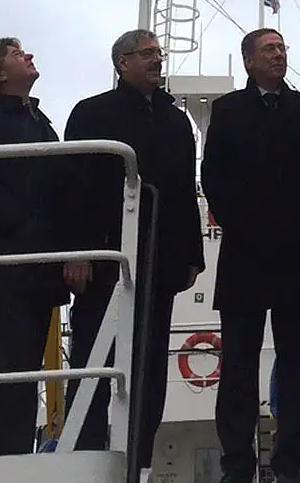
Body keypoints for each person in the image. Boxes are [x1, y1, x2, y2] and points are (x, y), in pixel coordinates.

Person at [201, 28, 300, 483]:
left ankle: (289, 466)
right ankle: (237, 467)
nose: (279, 55)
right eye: (269, 49)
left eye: (282, 49)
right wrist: (242, 218)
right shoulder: (226, 111)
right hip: (244, 251)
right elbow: (213, 175)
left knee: (295, 364)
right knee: (238, 365)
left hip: (296, 251)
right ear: (248, 61)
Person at [63, 30, 204, 470]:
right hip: (104, 262)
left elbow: (183, 189)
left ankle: (137, 464)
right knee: (93, 363)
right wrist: (76, 251)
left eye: (159, 54)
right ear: (121, 62)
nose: (157, 61)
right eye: (147, 54)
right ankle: (84, 461)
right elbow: (72, 189)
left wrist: (192, 256)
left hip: (159, 263)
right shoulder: (91, 114)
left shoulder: (176, 121)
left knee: (148, 371)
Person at [0, 37, 70, 457]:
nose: (30, 55)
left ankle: (15, 453)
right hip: (5, 264)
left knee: (26, 364)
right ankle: (0, 456)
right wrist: (23, 227)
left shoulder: (41, 122)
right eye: (17, 52)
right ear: (0, 74)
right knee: (13, 361)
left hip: (39, 266)